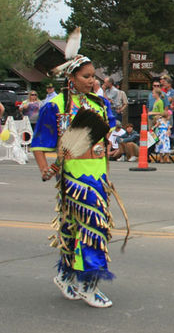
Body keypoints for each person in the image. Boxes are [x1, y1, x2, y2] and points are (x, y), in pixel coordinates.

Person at [31, 32, 117, 308]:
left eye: (94, 76)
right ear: (71, 79)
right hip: (74, 178)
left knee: (71, 229)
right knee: (93, 230)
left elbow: (106, 136)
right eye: (86, 77)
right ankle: (88, 286)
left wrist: (108, 157)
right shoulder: (54, 107)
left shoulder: (99, 104)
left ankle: (65, 276)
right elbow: (40, 143)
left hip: (97, 175)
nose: (93, 81)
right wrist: (46, 169)